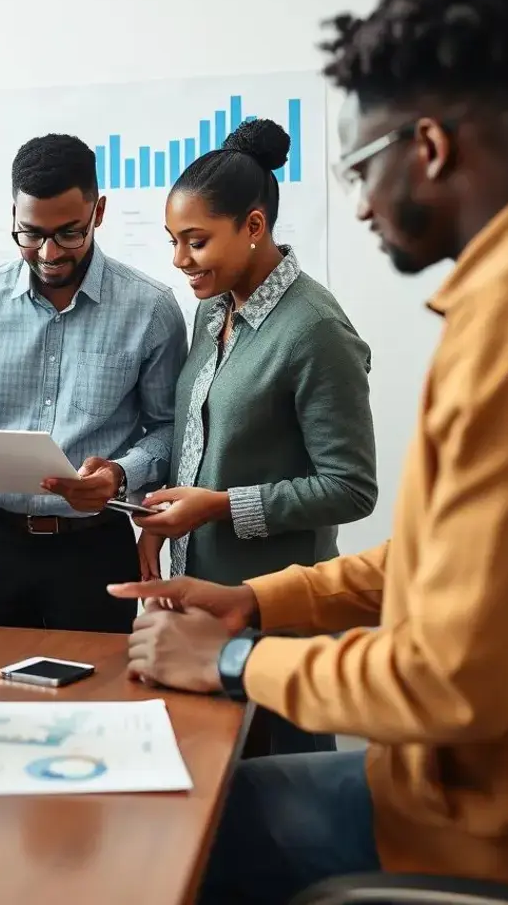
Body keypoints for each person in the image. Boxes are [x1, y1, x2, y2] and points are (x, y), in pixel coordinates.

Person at [109, 0, 508, 901]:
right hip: (460, 792)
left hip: (498, 827)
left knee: (176, 847)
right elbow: (448, 559)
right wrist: (260, 601)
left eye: (360, 169)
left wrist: (235, 658)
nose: (359, 205)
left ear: (431, 147)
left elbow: (449, 681)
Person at [134, 116, 377, 756]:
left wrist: (218, 506)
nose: (179, 261)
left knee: (282, 811)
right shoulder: (212, 309)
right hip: (196, 610)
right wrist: (162, 513)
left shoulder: (317, 330)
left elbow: (351, 488)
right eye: (173, 241)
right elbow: (204, 446)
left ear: (253, 226)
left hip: (272, 619)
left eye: (195, 241)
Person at [0, 133, 187, 633]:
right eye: (30, 233)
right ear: (13, 217)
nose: (48, 252)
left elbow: (170, 429)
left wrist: (120, 473)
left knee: (95, 701)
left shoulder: (151, 310)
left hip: (96, 548)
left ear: (100, 212)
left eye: (70, 233)